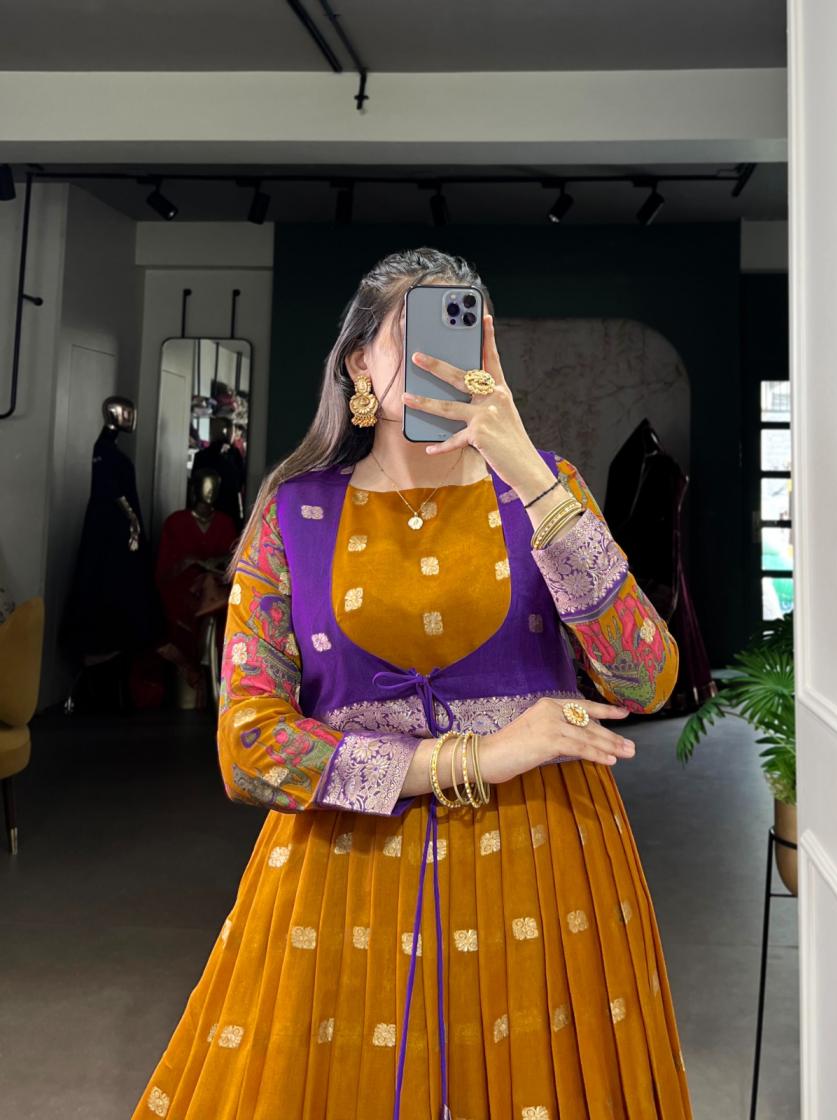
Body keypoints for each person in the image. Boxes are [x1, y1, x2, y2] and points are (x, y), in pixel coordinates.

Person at [130, 248, 692, 1120]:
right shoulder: (293, 512)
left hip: (547, 872)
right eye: (415, 332)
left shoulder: (544, 490)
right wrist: (471, 758)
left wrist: (530, 474)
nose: (442, 357)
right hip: (348, 876)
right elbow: (249, 748)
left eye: (464, 332)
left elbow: (648, 677)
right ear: (360, 363)